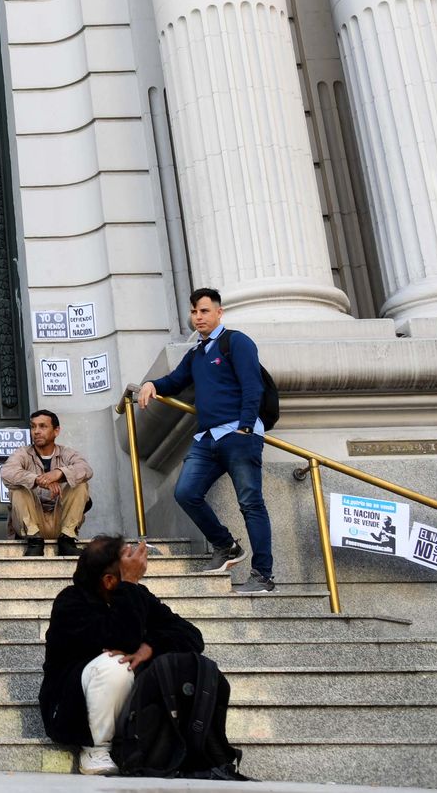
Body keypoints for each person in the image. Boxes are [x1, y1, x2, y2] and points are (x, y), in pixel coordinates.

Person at [137, 287, 275, 594]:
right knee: (186, 492)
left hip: (239, 435)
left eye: (204, 311)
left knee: (251, 504)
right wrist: (151, 384)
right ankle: (227, 546)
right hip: (207, 438)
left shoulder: (235, 342)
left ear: (219, 312)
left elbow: (253, 386)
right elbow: (174, 381)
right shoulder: (197, 354)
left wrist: (247, 429)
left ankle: (263, 575)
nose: (198, 317)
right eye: (194, 312)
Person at [39, 535, 204, 775]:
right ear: (108, 580)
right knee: (116, 664)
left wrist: (151, 646)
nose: (134, 564)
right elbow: (121, 640)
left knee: (177, 660)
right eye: (126, 563)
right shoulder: (70, 602)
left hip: (129, 709)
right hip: (69, 709)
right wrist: (129, 584)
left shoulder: (136, 595)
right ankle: (96, 749)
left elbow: (192, 636)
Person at [1, 409, 93, 557]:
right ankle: (35, 542)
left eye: (42, 426)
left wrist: (59, 473)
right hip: (31, 524)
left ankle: (67, 540)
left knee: (80, 484)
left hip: (60, 521)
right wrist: (38, 480)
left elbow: (86, 470)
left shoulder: (67, 453)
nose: (36, 431)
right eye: (33, 426)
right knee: (17, 487)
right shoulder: (22, 453)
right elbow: (6, 473)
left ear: (56, 431)